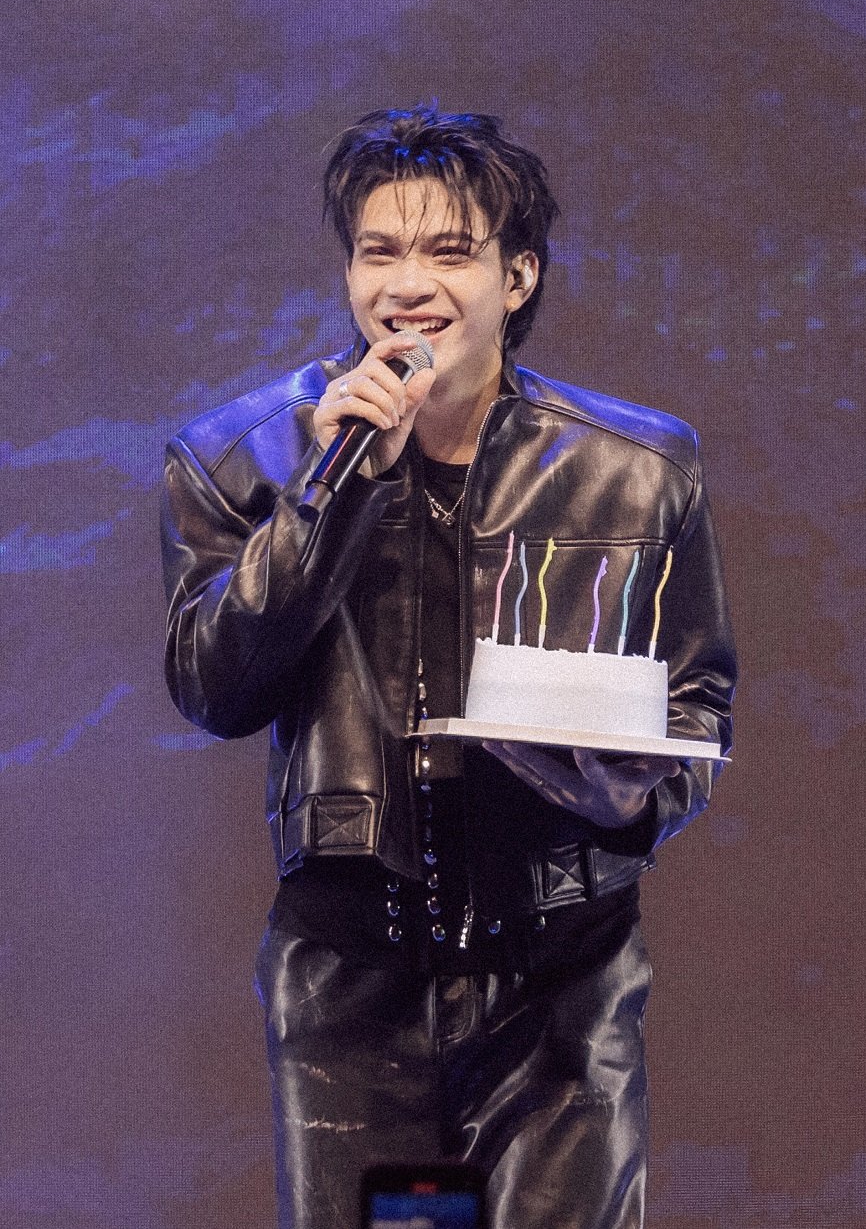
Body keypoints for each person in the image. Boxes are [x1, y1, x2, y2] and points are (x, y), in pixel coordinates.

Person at [161, 105, 736, 1229]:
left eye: (448, 252)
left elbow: (698, 708)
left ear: (517, 276)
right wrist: (336, 490)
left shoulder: (638, 467)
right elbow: (214, 684)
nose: (407, 285)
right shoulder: (243, 457)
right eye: (378, 252)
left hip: (562, 974)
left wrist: (620, 797)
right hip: (348, 983)